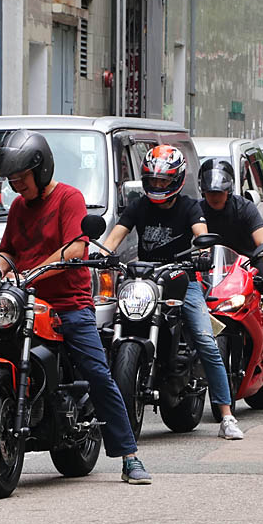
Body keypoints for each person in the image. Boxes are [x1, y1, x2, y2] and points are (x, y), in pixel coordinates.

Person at [0, 130, 152, 486]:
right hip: (25, 301)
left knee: (97, 372)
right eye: (11, 180)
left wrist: (35, 270)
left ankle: (129, 454)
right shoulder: (19, 207)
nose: (16, 186)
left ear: (39, 170)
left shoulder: (70, 198)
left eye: (20, 179)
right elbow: (8, 249)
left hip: (68, 303)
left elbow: (76, 248)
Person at [102, 146, 243, 440]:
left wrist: (202, 253)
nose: (158, 186)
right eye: (153, 181)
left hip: (183, 280)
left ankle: (227, 416)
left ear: (176, 180)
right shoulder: (139, 205)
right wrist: (101, 253)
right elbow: (115, 236)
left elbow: (200, 232)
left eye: (164, 181)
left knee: (206, 340)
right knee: (103, 330)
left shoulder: (190, 206)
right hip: (144, 279)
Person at [197, 158, 263, 370]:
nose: (214, 196)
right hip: (211, 268)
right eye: (210, 192)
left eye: (219, 192)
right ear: (202, 191)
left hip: (247, 263)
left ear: (228, 191)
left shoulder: (245, 208)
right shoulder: (197, 211)